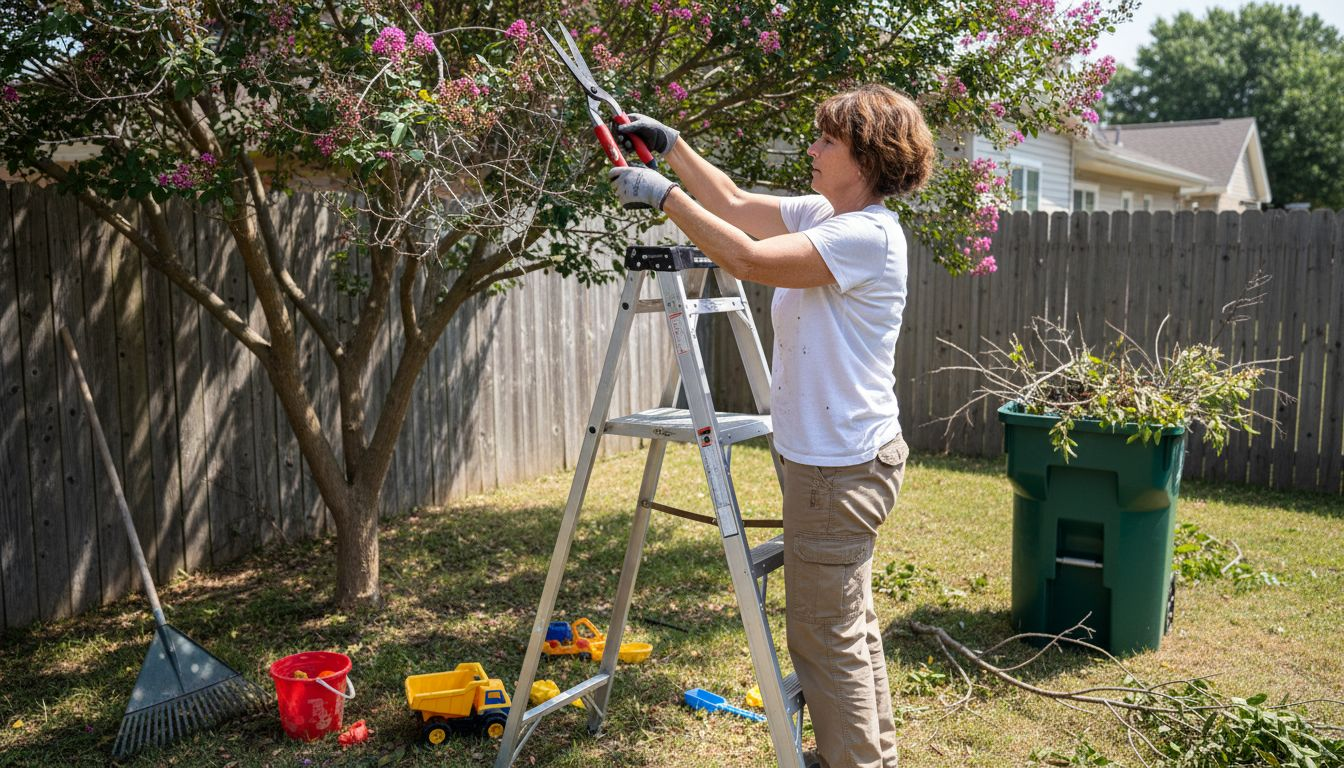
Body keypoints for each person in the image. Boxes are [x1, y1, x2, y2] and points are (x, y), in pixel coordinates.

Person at [608, 84, 935, 768]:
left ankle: (853, 762)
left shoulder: (863, 235)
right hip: (837, 461)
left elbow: (748, 259)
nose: (812, 148)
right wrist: (673, 149)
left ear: (867, 157)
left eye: (826, 141)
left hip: (837, 470)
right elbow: (730, 204)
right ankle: (867, 757)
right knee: (848, 626)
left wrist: (662, 196)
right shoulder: (826, 213)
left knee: (824, 633)